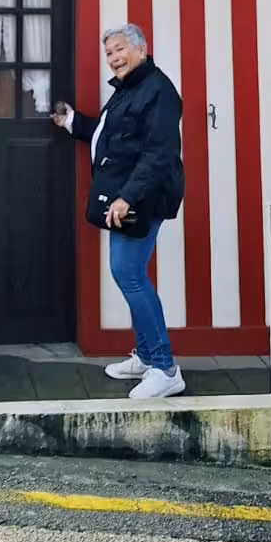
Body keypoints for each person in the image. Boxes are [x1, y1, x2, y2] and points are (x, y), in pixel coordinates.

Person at [51, 22, 186, 400]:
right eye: (109, 52)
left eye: (120, 49)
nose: (113, 58)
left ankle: (165, 367)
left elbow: (159, 153)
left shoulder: (158, 91)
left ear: (142, 50)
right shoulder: (129, 90)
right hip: (128, 194)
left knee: (128, 273)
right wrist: (73, 122)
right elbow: (108, 136)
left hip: (142, 197)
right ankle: (146, 357)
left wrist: (127, 197)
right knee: (129, 273)